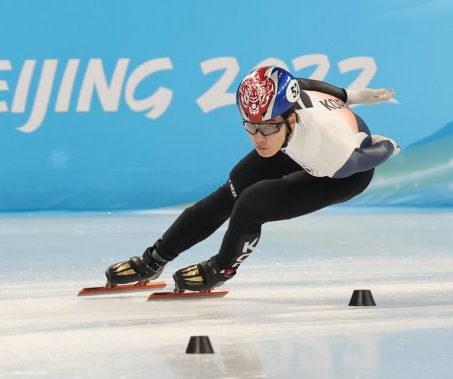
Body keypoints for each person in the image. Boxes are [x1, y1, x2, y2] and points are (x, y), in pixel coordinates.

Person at [105, 66, 399, 292]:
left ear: (291, 117)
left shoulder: (328, 150)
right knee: (229, 192)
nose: (258, 138)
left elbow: (359, 162)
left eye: (267, 128)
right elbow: (302, 83)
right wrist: (352, 95)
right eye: (250, 127)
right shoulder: (284, 108)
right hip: (293, 144)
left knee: (251, 204)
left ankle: (221, 269)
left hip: (344, 173)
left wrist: (384, 146)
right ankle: (154, 259)